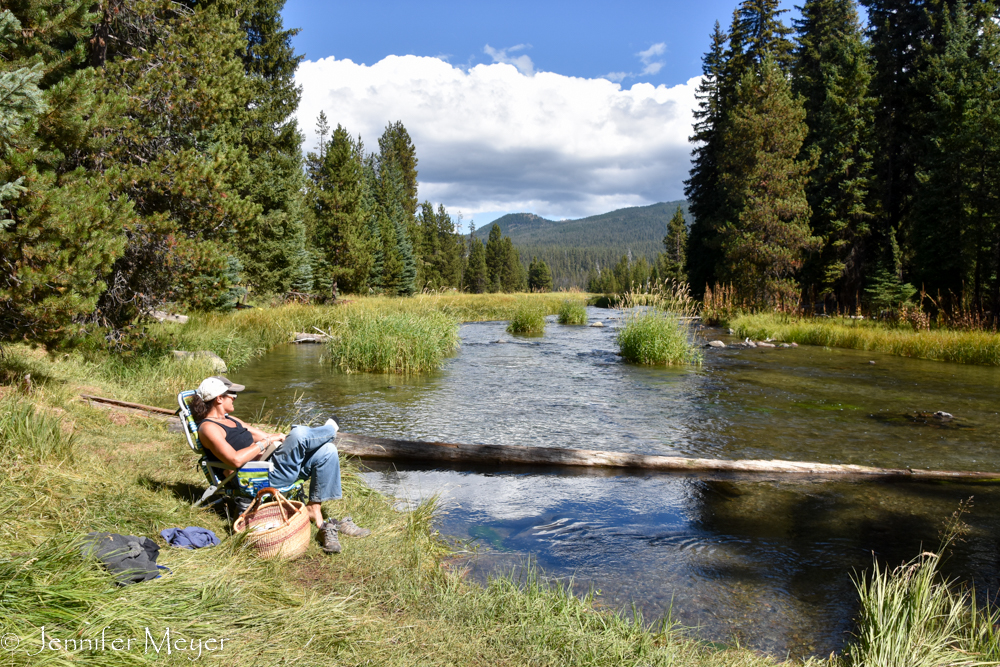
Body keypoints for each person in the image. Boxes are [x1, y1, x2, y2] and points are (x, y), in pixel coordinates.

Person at [189, 376, 370, 554]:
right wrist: (264, 444)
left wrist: (279, 440)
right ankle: (330, 430)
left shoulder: (232, 420)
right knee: (299, 433)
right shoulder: (209, 428)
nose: (235, 397)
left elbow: (263, 436)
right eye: (232, 395)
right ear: (219, 399)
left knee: (328, 451)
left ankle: (314, 509)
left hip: (270, 463)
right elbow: (235, 460)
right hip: (255, 477)